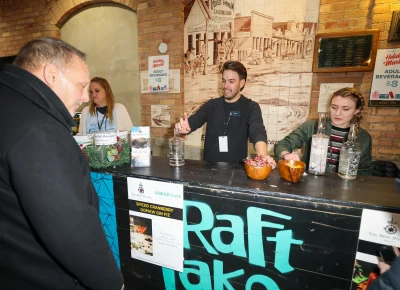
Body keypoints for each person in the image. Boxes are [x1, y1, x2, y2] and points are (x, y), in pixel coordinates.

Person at [0, 38, 123, 289]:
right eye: (80, 86)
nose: (83, 96)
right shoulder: (39, 129)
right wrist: (111, 283)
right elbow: (71, 229)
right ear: (52, 75)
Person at [175, 60, 276, 167]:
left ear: (242, 83)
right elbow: (193, 121)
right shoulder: (211, 105)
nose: (225, 86)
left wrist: (263, 155)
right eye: (223, 81)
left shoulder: (251, 107)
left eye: (231, 81)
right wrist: (185, 128)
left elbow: (258, 132)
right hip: (209, 170)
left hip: (237, 171)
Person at [274, 87, 372, 175]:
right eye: (334, 107)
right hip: (311, 184)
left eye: (345, 109)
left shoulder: (363, 137)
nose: (337, 113)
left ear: (357, 110)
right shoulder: (312, 126)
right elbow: (283, 144)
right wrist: (285, 154)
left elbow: (364, 171)